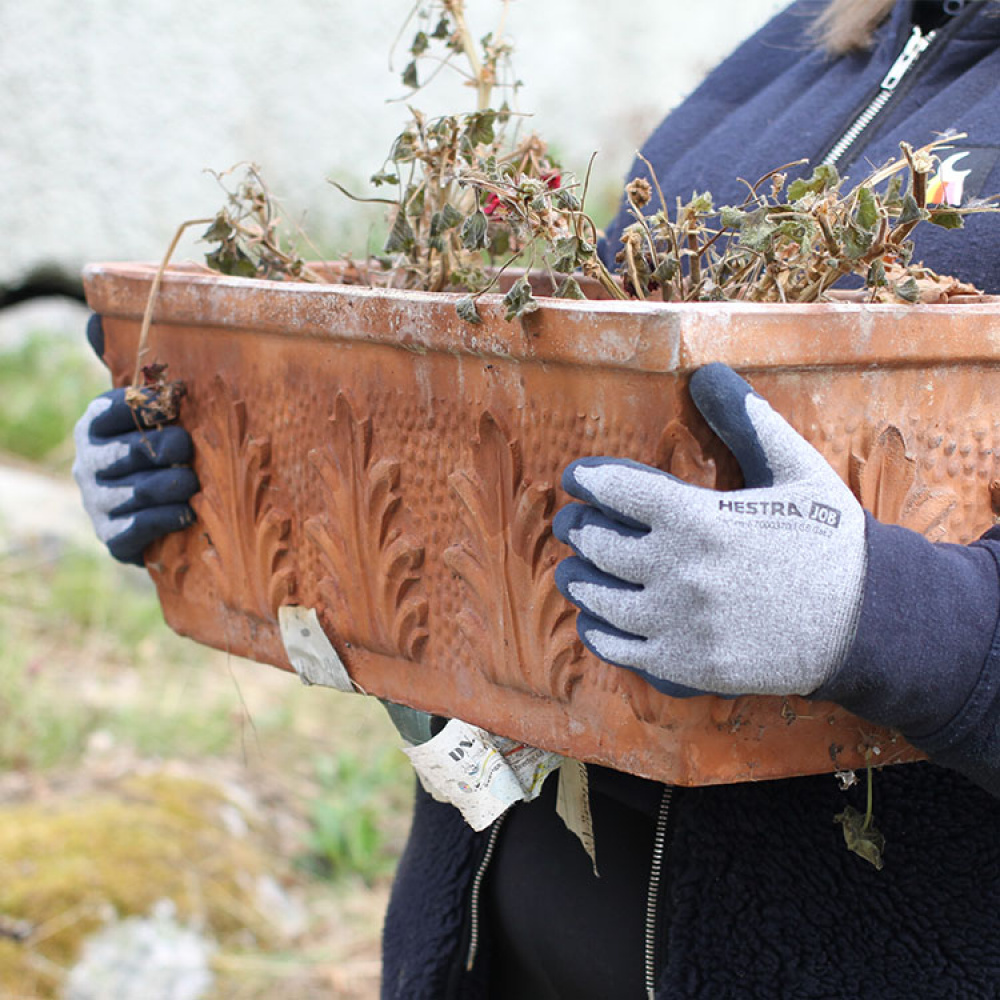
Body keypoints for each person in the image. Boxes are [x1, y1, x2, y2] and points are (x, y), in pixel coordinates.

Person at [74, 1, 1000, 996]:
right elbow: (550, 405)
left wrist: (896, 618)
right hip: (493, 939)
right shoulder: (805, 44)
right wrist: (211, 459)